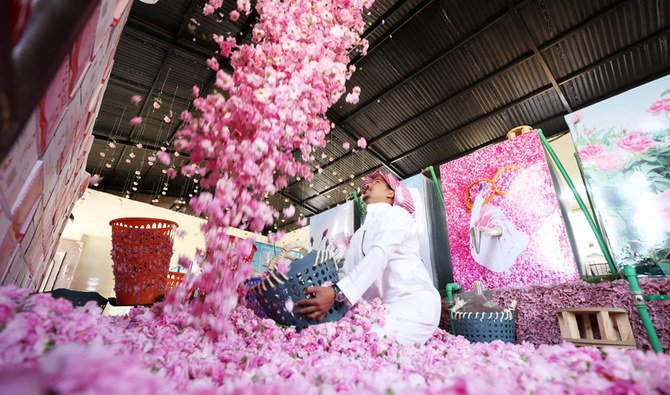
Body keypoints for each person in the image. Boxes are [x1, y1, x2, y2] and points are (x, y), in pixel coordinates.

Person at [295, 170, 441, 345]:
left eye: (377, 182)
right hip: (380, 312)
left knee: (364, 342)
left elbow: (379, 254)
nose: (368, 185)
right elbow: (345, 275)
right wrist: (323, 293)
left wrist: (336, 292)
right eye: (368, 184)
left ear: (391, 193)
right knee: (338, 339)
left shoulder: (397, 215)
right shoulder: (358, 235)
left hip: (413, 305)